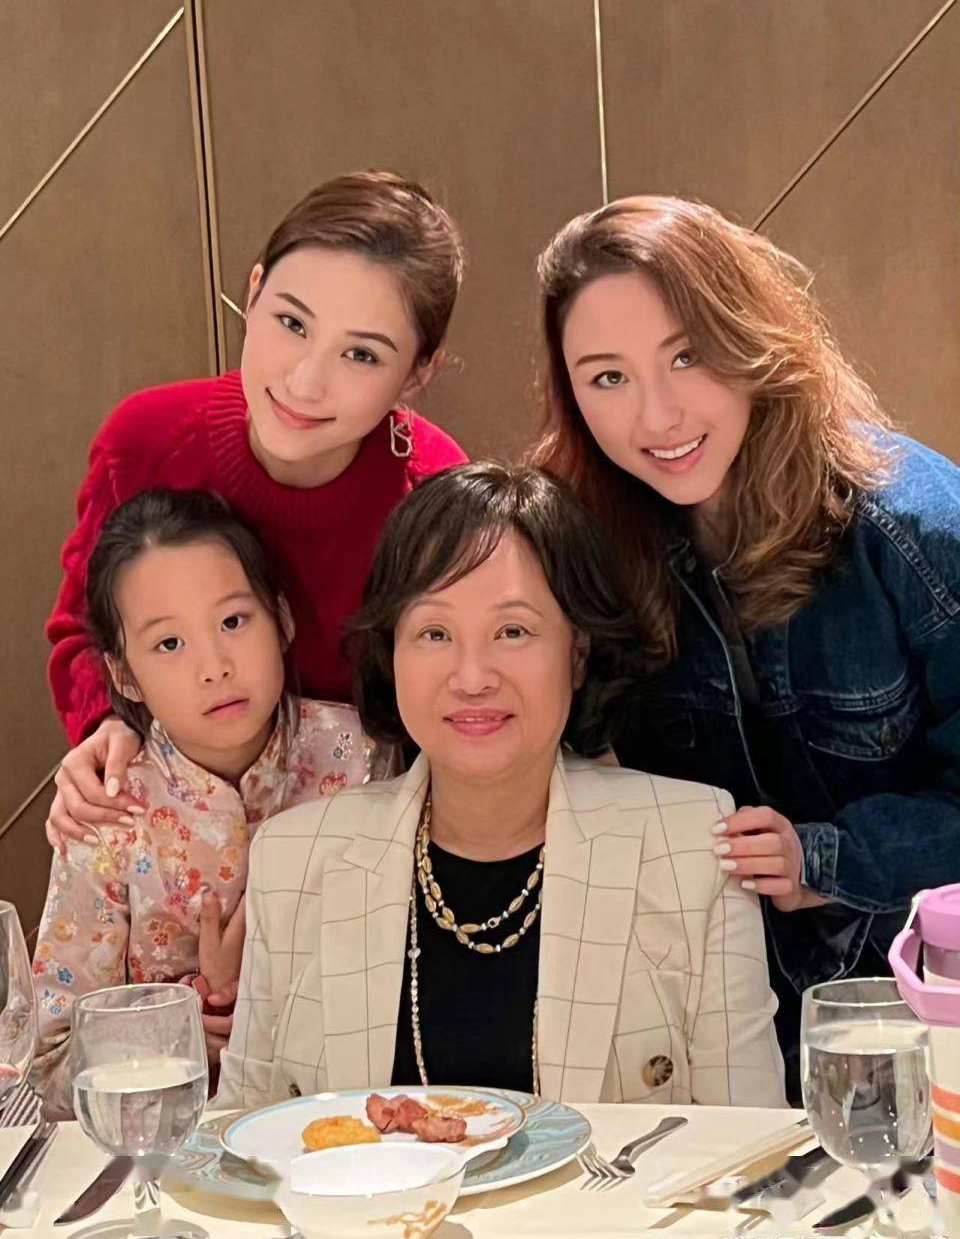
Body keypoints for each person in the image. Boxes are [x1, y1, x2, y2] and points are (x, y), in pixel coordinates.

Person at [533, 193, 960, 1086]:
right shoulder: (584, 543)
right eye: (607, 378)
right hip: (713, 1032)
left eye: (687, 355)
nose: (657, 416)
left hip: (924, 1017)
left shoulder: (911, 525)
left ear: (751, 336)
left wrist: (828, 859)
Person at [216, 462, 785, 1109]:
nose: (472, 677)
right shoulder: (295, 859)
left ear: (578, 652)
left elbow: (752, 1146)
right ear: (391, 653)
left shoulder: (691, 851)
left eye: (513, 632)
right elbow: (238, 1136)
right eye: (434, 633)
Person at [45, 170, 466, 849]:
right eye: (291, 323)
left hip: (363, 850)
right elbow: (82, 631)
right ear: (254, 291)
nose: (304, 380)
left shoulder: (437, 494)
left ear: (418, 372)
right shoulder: (143, 441)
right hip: (176, 845)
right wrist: (107, 726)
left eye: (361, 354)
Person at [31, 489, 387, 1116]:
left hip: (352, 1121)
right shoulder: (108, 809)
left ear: (282, 619)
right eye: (169, 644)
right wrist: (188, 1023)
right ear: (124, 675)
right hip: (169, 1146)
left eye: (233, 622)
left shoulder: (365, 758)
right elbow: (48, 1066)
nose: (214, 667)